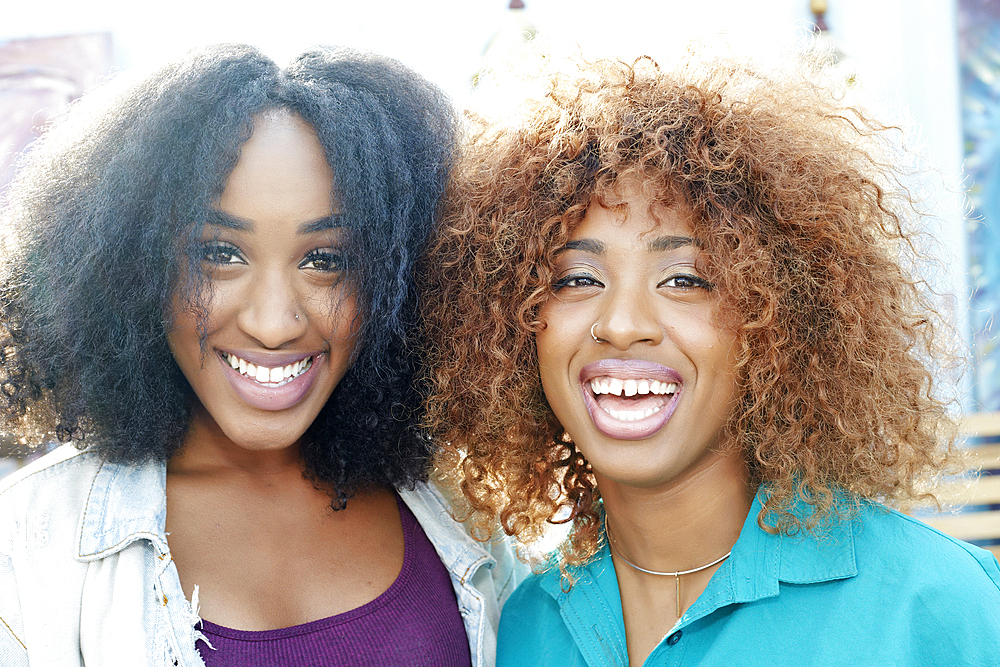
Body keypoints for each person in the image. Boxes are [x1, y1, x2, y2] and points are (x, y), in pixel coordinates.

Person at [420, 53, 1000, 666]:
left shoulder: (933, 607)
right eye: (577, 279)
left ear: (779, 318)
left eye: (686, 280)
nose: (622, 325)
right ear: (513, 321)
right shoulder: (523, 629)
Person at [0, 44, 521, 667]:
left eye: (326, 261)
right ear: (130, 267)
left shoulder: (468, 508)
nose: (273, 324)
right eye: (219, 254)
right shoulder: (27, 543)